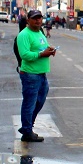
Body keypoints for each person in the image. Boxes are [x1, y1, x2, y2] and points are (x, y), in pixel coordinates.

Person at [16, 10, 56, 142]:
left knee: (40, 101)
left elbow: (41, 47)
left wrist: (49, 50)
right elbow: (24, 55)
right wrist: (41, 54)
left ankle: (27, 127)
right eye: (34, 19)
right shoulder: (24, 35)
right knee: (29, 103)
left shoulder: (39, 32)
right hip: (30, 74)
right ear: (28, 20)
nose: (38, 21)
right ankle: (27, 131)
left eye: (40, 18)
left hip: (41, 74)